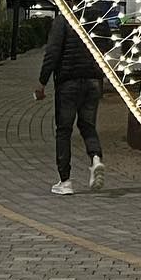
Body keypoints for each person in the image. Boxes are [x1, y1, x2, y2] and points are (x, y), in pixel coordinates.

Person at [34, 15, 105, 195]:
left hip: (68, 82)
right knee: (88, 125)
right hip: (93, 80)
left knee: (64, 130)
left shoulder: (63, 20)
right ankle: (96, 159)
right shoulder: (98, 18)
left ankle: (65, 181)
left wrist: (42, 81)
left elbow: (53, 52)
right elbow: (107, 45)